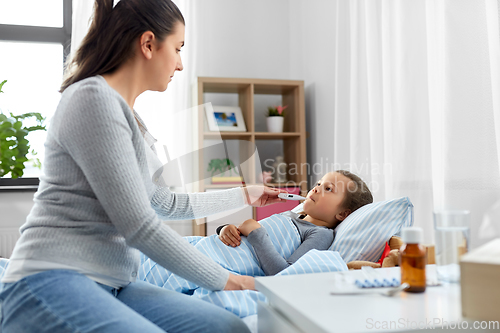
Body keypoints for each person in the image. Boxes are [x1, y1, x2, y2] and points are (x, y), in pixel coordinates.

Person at [0, 1, 287, 332]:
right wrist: (231, 281)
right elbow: (140, 226)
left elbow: (164, 203)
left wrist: (245, 194)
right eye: (178, 49)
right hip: (51, 277)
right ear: (149, 44)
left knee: (228, 327)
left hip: (113, 284)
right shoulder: (92, 100)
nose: (180, 64)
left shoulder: (130, 117)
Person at [217, 170, 373, 275]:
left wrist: (256, 233)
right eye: (318, 184)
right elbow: (244, 236)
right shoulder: (289, 216)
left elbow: (283, 273)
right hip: (215, 249)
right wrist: (225, 229)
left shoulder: (320, 233)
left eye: (328, 189)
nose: (316, 189)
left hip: (222, 266)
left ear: (343, 214)